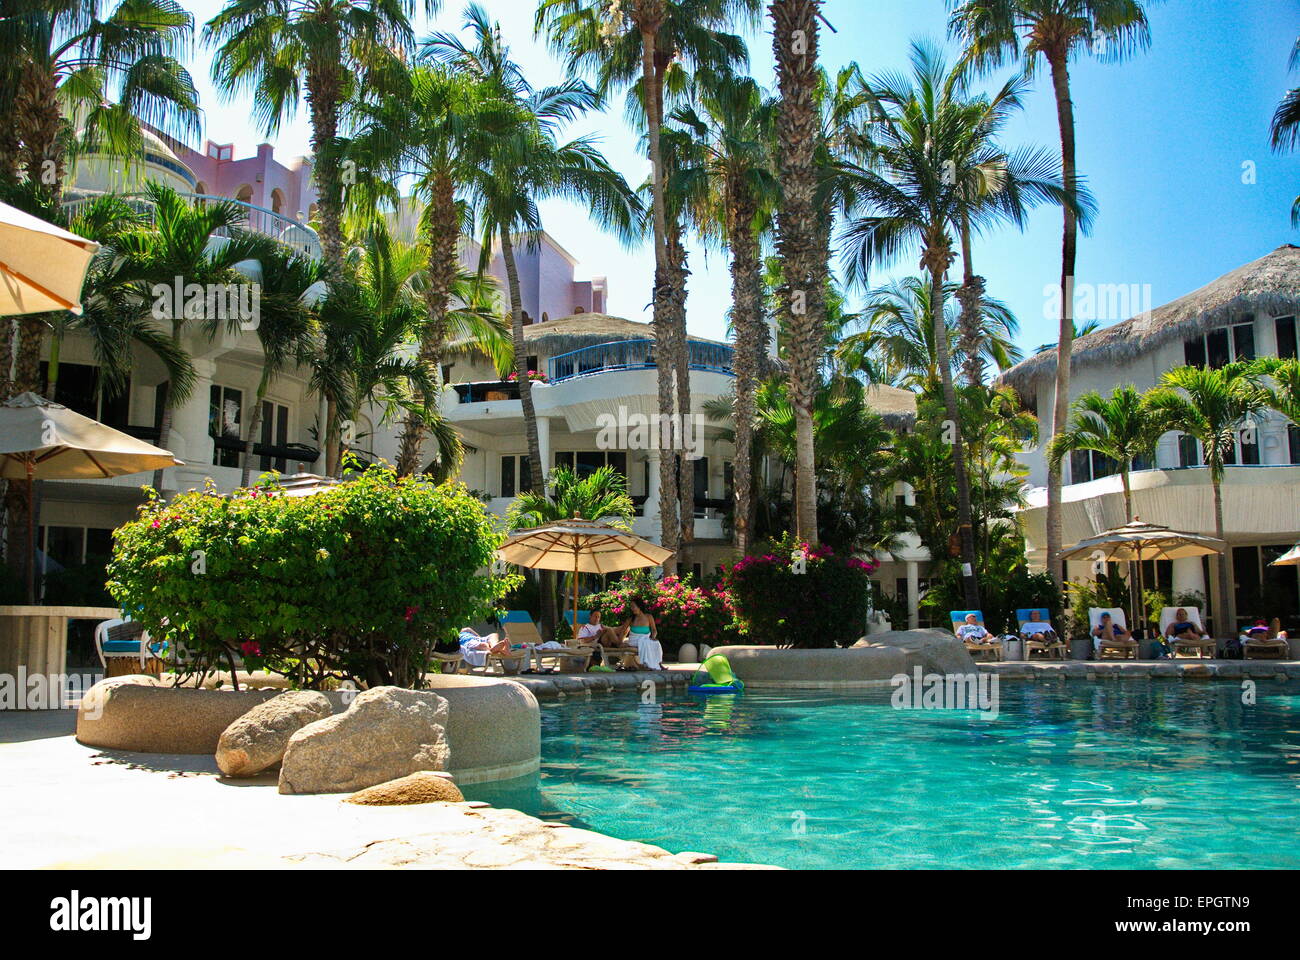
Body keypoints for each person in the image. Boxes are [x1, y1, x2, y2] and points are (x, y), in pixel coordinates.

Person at [620, 597, 663, 670]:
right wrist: (620, 642)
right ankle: (647, 665)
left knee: (656, 643)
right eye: (631, 607)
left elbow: (654, 630)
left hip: (645, 639)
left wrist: (653, 637)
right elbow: (623, 631)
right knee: (646, 644)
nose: (632, 608)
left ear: (639, 607)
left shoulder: (649, 617)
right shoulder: (630, 619)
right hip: (634, 641)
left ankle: (658, 664)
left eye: (633, 606)